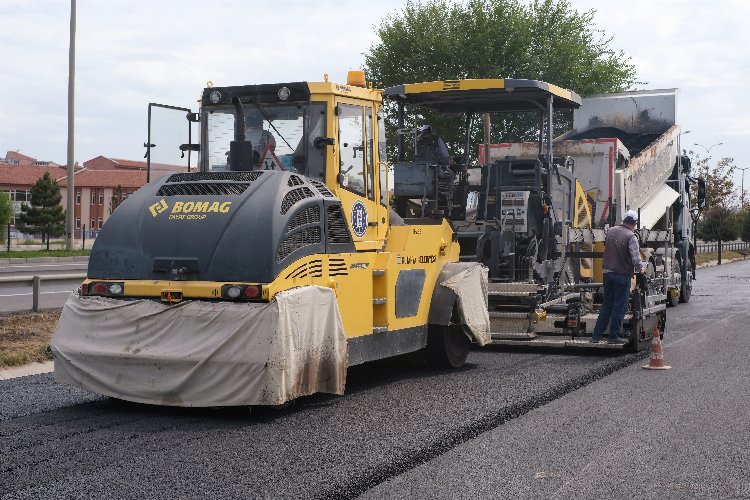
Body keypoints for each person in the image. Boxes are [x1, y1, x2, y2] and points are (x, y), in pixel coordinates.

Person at [590, 210, 646, 344]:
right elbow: (636, 258)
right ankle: (613, 336)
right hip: (622, 274)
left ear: (624, 219)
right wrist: (642, 269)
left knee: (607, 305)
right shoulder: (631, 236)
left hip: (607, 273)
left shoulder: (611, 231)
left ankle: (596, 336)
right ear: (635, 223)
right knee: (620, 305)